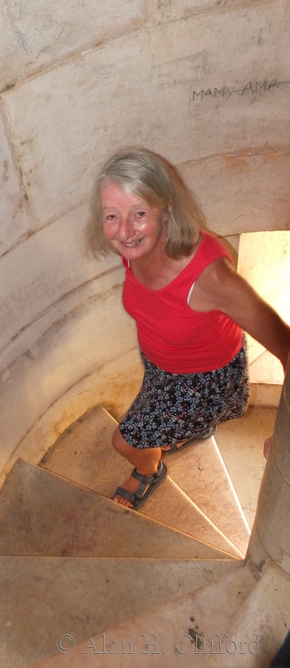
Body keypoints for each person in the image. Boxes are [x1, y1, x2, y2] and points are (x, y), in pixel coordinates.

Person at [87, 148, 290, 510]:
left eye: (139, 214)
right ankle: (184, 432)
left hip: (200, 380)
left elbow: (287, 347)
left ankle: (149, 471)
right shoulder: (134, 249)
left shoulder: (210, 277)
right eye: (112, 216)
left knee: (125, 442)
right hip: (161, 365)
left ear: (166, 211)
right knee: (154, 421)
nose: (124, 231)